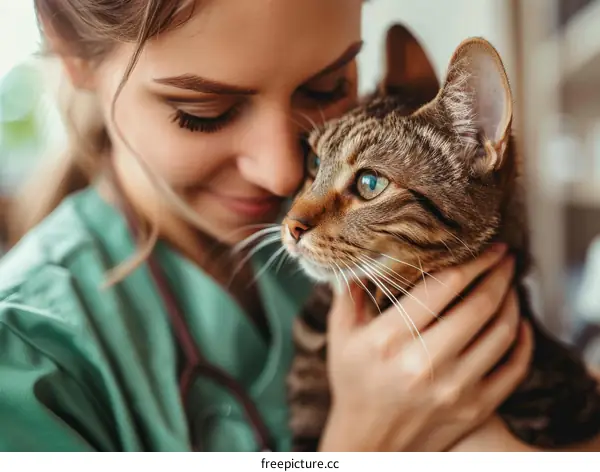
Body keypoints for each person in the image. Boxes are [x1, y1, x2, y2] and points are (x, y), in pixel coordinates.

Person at [0, 0, 596, 452]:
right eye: (202, 114)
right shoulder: (28, 356)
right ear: (71, 51)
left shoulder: (382, 248)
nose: (285, 175)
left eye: (327, 87)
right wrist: (359, 444)